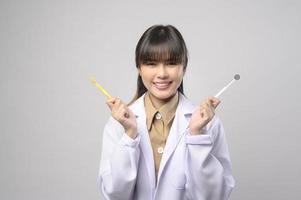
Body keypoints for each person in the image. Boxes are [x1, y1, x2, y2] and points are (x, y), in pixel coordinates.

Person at [97, 24, 235, 200]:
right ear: (139, 68)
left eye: (171, 63)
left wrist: (197, 136)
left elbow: (214, 197)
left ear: (184, 67)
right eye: (151, 64)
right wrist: (130, 136)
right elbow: (114, 195)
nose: (162, 73)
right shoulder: (119, 123)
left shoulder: (208, 123)